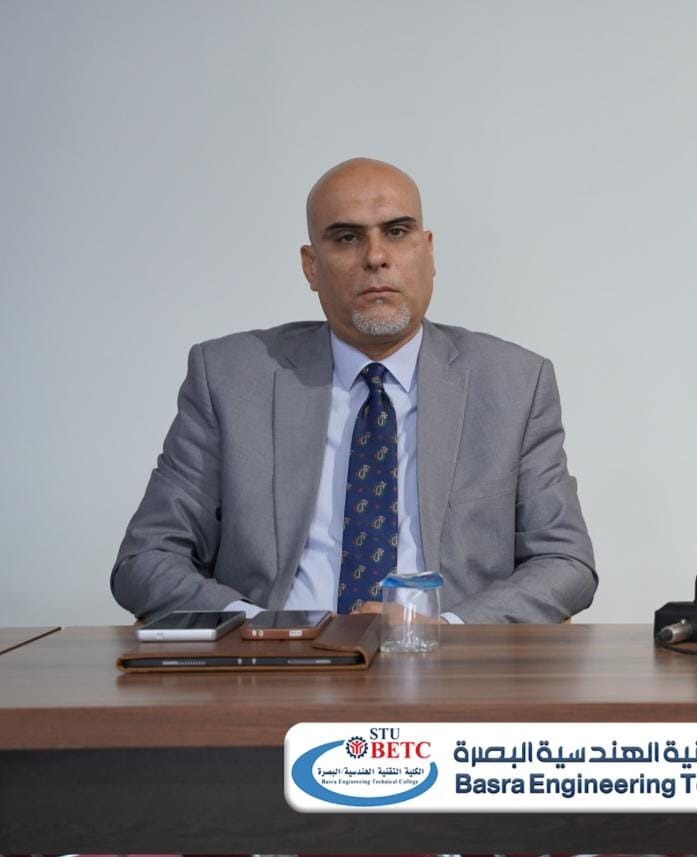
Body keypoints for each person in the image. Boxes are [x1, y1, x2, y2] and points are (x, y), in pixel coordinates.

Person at [113, 158, 597, 623]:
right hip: (277, 661)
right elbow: (145, 559)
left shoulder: (513, 382)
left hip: (445, 659)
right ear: (311, 266)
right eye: (347, 238)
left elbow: (565, 562)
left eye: (397, 232)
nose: (376, 257)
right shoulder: (230, 378)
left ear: (429, 251)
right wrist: (261, 628)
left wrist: (448, 629)